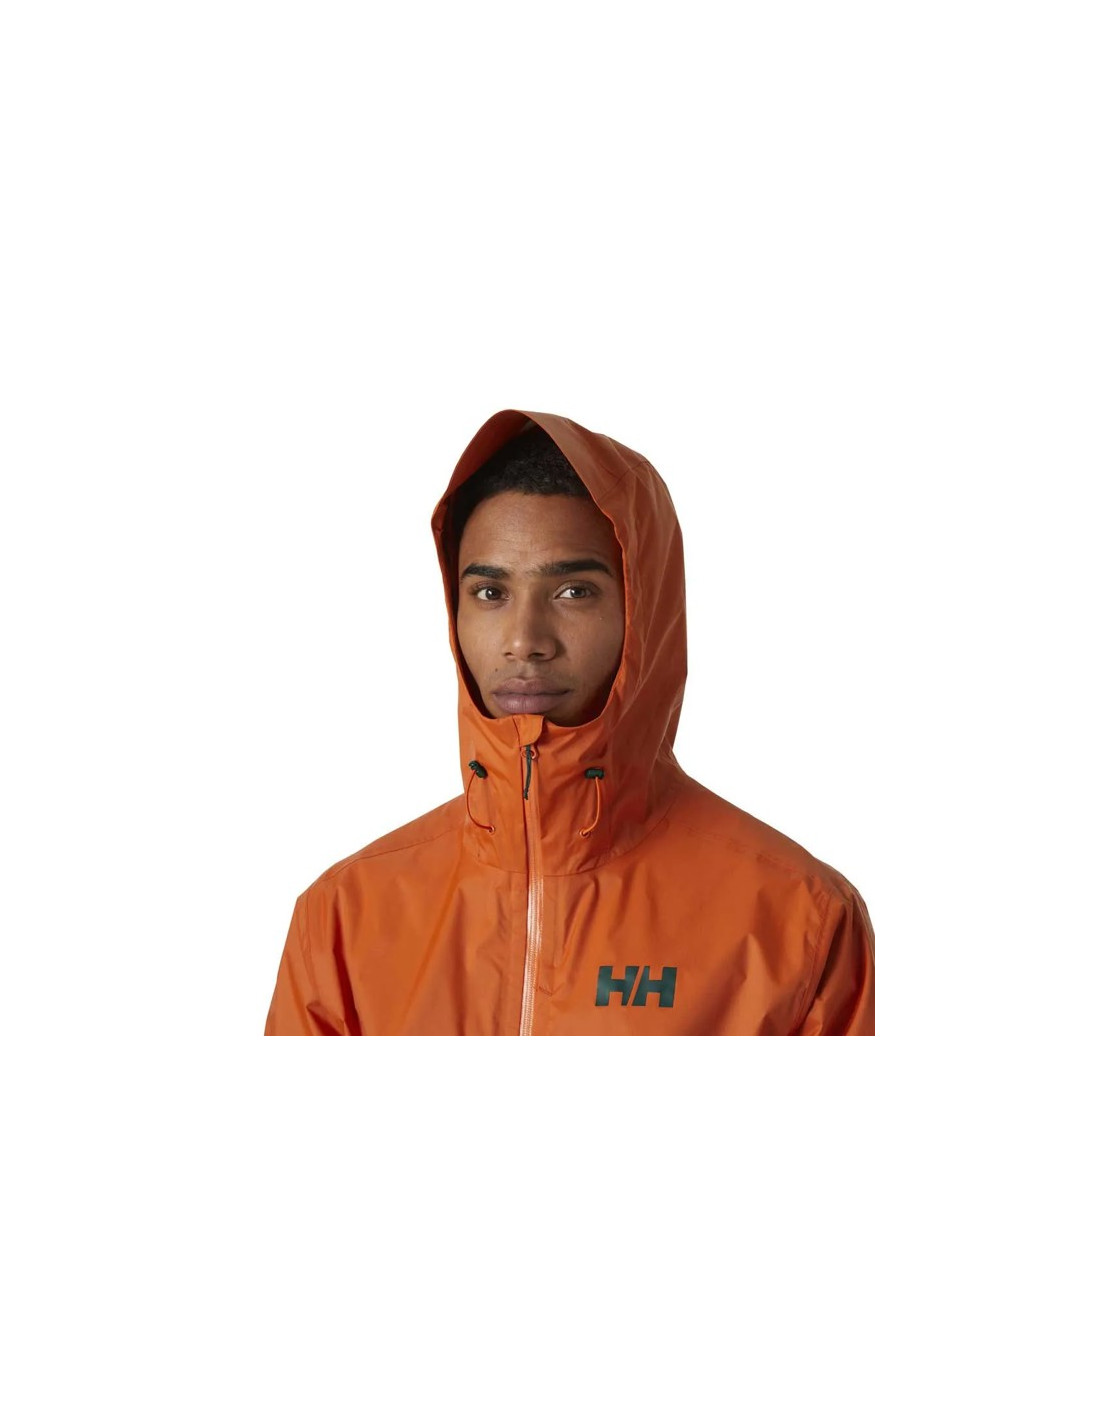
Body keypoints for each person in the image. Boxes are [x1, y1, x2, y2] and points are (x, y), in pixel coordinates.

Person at [265, 409, 875, 1035]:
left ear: (644, 609)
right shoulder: (342, 918)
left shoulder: (799, 917)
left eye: (573, 592)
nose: (524, 641)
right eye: (490, 593)